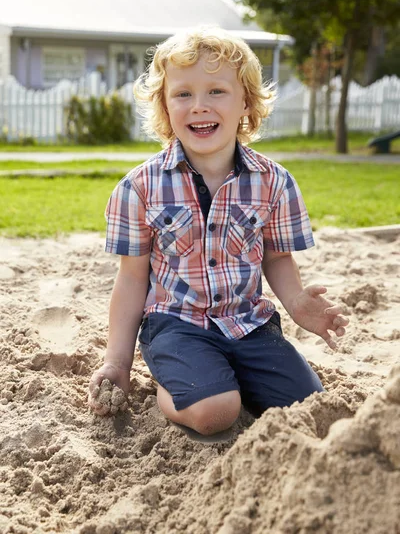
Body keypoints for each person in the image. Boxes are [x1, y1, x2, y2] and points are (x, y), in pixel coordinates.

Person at [88, 26, 349, 435]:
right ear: (165, 105)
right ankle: (175, 386)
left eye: (216, 92)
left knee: (308, 407)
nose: (199, 106)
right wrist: (117, 362)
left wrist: (296, 302)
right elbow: (132, 278)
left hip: (250, 324)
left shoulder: (274, 182)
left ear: (245, 101)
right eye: (183, 94)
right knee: (216, 412)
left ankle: (220, 374)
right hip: (176, 325)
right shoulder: (139, 187)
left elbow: (277, 258)